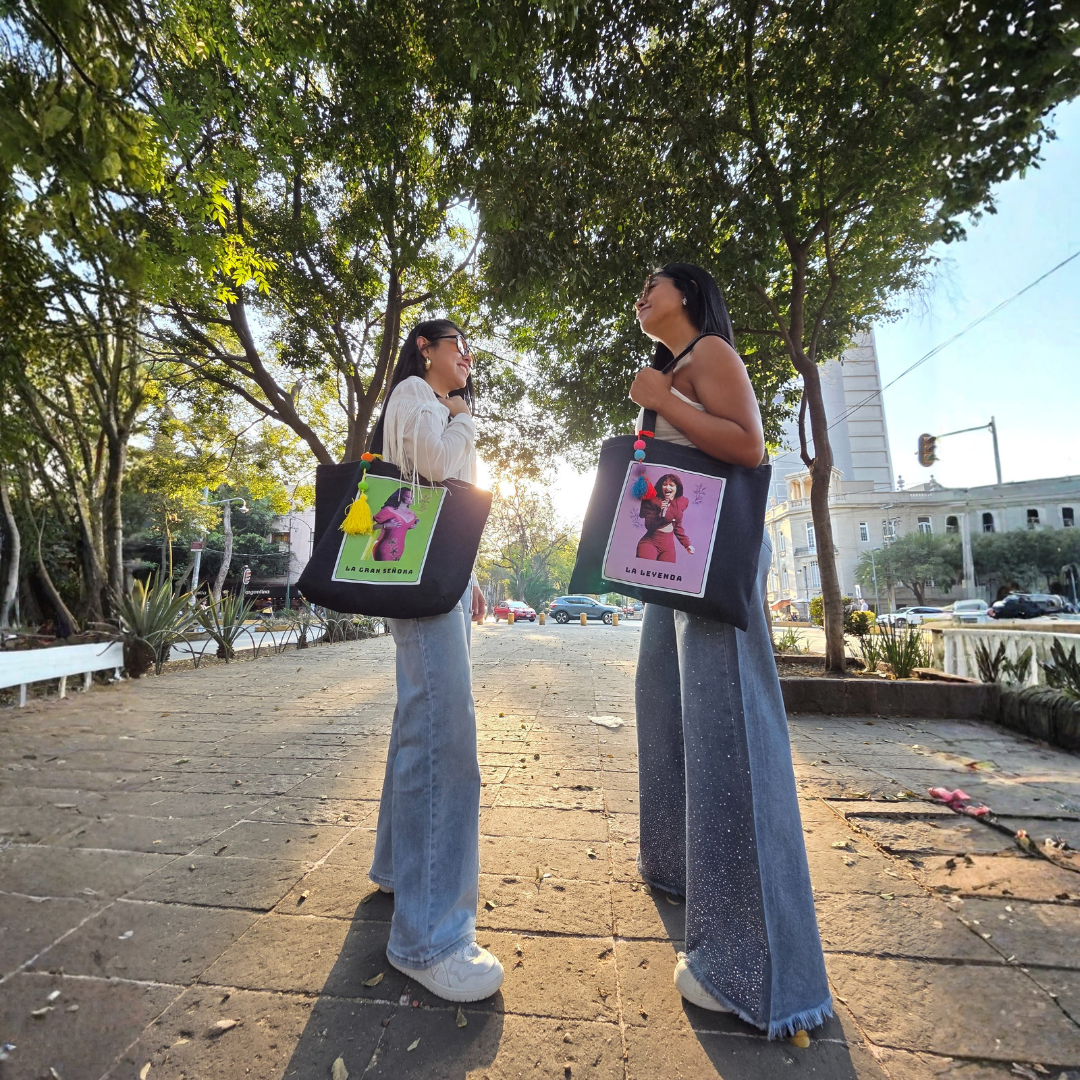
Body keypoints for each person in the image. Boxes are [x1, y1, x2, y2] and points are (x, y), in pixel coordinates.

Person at [628, 263, 832, 1039]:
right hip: (675, 564)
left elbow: (748, 448)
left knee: (730, 738)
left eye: (655, 285)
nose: (642, 297)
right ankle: (689, 881)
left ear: (688, 294)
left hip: (715, 562)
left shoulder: (709, 353)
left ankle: (759, 969)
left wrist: (664, 401)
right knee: (675, 723)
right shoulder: (670, 369)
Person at [365, 318, 501, 1002]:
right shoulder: (415, 393)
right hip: (415, 578)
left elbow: (447, 506)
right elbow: (440, 471)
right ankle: (429, 937)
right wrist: (464, 417)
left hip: (431, 574)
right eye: (459, 347)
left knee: (419, 716)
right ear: (426, 348)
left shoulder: (429, 400)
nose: (467, 358)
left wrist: (467, 577)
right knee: (444, 733)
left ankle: (396, 869)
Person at [636, 472, 694, 562]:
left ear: (677, 488)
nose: (668, 487)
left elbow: (677, 525)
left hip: (668, 546)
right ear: (661, 487)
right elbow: (649, 526)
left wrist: (687, 544)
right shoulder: (652, 501)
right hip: (650, 542)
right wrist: (661, 514)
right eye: (665, 485)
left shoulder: (681, 502)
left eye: (671, 485)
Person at [371, 487, 419, 562]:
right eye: (408, 496)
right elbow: (371, 527)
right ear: (400, 496)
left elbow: (402, 527)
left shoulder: (412, 514)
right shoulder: (389, 510)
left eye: (412, 497)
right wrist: (386, 525)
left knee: (391, 572)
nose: (411, 499)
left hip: (400, 548)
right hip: (384, 547)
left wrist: (412, 526)